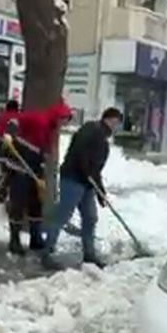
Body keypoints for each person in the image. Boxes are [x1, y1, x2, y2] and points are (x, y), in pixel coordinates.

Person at [42, 107, 123, 270]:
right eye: (116, 123)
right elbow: (80, 153)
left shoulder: (103, 140)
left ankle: (89, 255)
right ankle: (46, 252)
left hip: (87, 183)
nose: (116, 127)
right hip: (73, 178)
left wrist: (101, 193)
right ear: (110, 119)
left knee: (90, 217)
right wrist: (86, 172)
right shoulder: (91, 129)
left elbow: (96, 169)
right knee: (63, 215)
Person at [2, 100, 72, 255]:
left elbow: (45, 148)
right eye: (64, 119)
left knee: (36, 203)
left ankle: (35, 238)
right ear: (58, 116)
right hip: (19, 163)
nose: (64, 124)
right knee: (18, 202)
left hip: (34, 166)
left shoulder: (51, 128)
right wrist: (8, 133)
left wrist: (45, 162)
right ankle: (14, 240)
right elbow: (15, 120)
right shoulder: (38, 118)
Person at [0, 100, 21, 205]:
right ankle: (0, 197)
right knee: (9, 175)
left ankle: (0, 193)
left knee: (4, 172)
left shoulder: (0, 117)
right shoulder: (17, 118)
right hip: (10, 151)